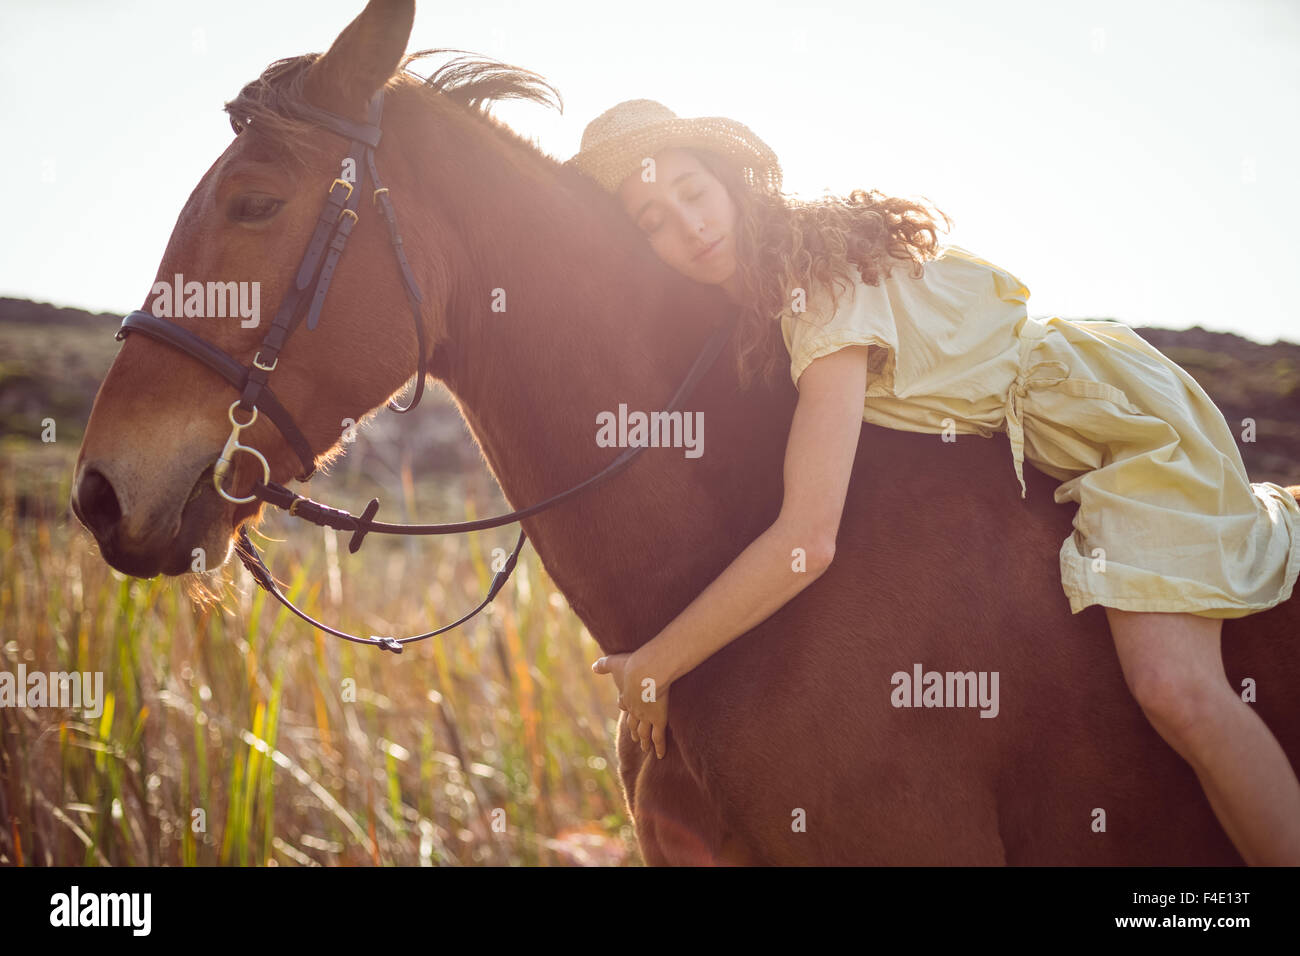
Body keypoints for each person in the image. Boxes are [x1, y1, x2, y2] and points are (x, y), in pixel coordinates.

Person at [566, 99, 1300, 864]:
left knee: (1178, 692)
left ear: (730, 183)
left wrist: (656, 664)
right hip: (1070, 435)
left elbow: (806, 540)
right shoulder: (771, 295)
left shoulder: (816, 298)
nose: (686, 226)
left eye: (692, 191)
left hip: (1125, 427)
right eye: (652, 219)